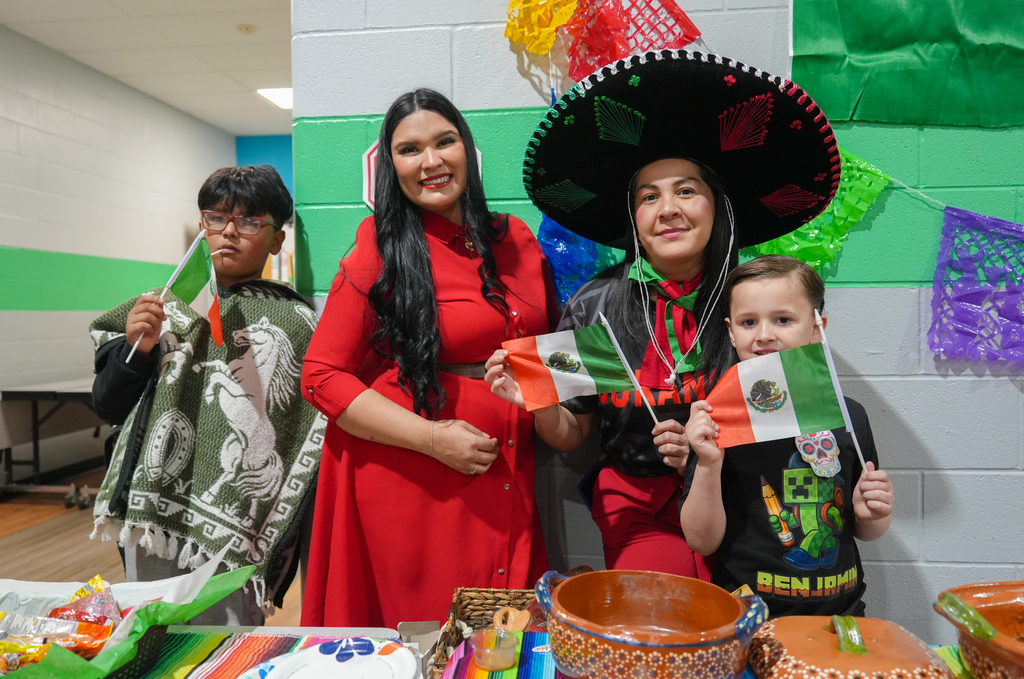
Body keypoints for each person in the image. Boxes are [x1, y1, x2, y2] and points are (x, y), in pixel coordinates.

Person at [486, 50, 843, 578]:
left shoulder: (755, 299)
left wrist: (703, 456)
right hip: (638, 511)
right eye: (648, 196)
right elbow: (571, 434)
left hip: (755, 505)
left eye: (686, 191)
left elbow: (801, 416)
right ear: (633, 218)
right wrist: (535, 402)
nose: (667, 209)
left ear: (717, 206)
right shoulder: (598, 307)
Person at [300, 88, 558, 628]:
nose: (432, 161)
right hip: (415, 478)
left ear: (467, 147)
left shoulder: (517, 239)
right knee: (429, 638)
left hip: (509, 471)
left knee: (499, 644)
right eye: (410, 149)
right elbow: (321, 376)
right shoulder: (381, 245)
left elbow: (548, 348)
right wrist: (434, 439)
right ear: (391, 165)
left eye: (445, 142)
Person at [90, 165, 323, 625]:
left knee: (229, 643)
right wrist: (137, 349)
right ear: (203, 226)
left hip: (239, 531)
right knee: (151, 630)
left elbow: (305, 433)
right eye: (216, 218)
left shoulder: (299, 325)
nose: (230, 232)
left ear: (277, 240)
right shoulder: (160, 307)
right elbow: (108, 403)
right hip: (151, 514)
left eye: (251, 221)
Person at [679, 255, 894, 616]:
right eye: (749, 322)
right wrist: (708, 462)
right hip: (745, 616)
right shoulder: (714, 422)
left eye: (783, 319)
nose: (764, 335)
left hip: (840, 613)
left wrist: (873, 512)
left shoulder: (848, 415)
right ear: (731, 332)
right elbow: (701, 541)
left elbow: (866, 529)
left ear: (816, 328)